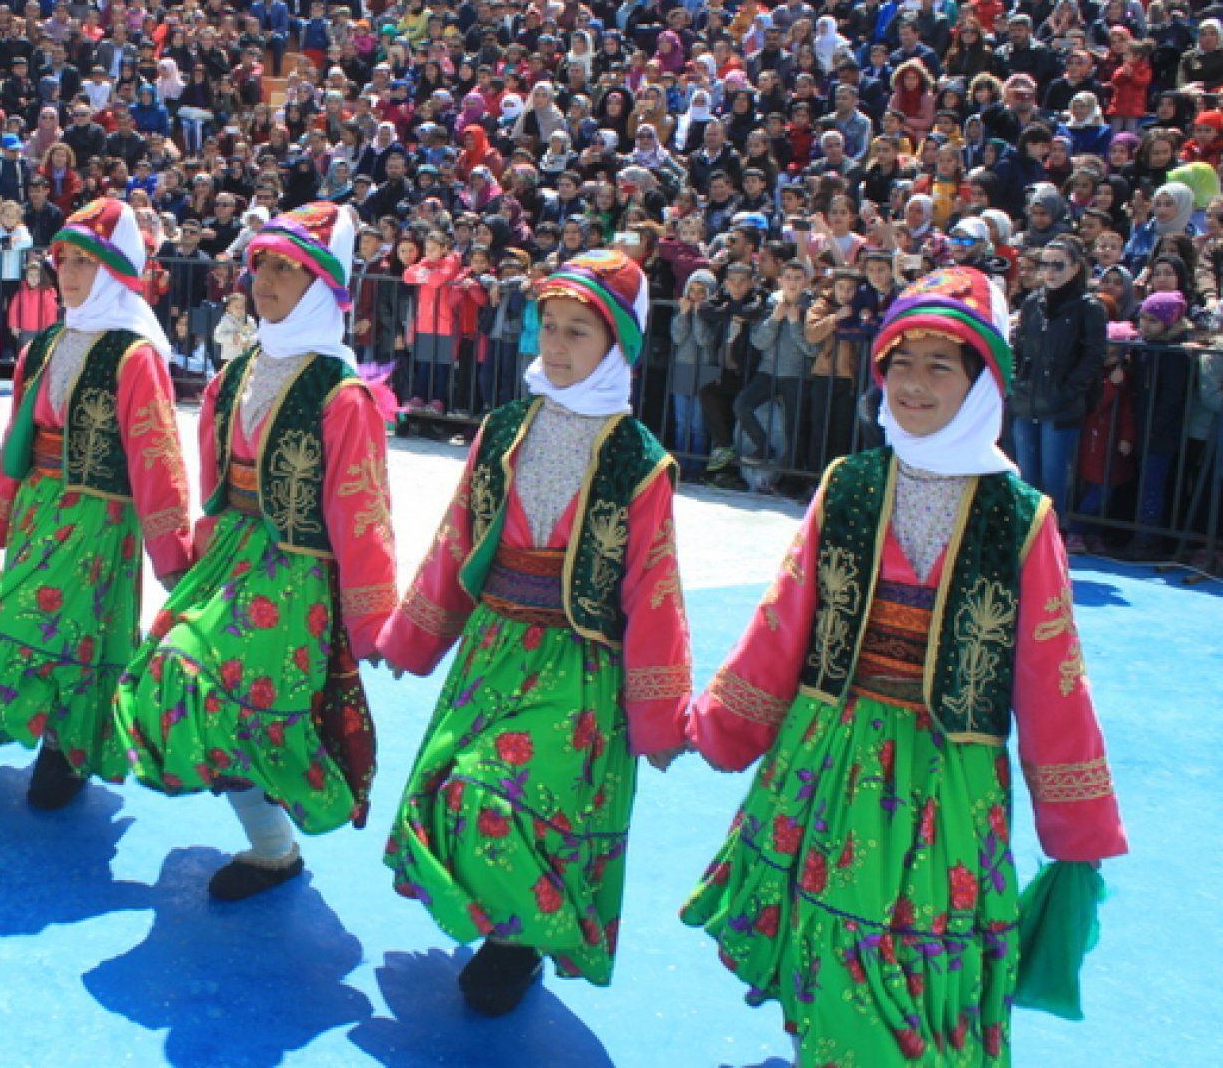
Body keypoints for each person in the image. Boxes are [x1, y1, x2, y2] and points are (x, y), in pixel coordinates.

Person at [682, 265, 1127, 1064]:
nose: (914, 384)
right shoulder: (849, 484)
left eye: (940, 366)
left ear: (983, 381)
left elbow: (1053, 678)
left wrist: (1077, 824)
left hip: (949, 774)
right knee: (828, 930)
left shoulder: (1020, 518)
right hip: (832, 751)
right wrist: (720, 725)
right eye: (901, 362)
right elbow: (783, 621)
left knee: (919, 939)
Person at [378, 251, 693, 1016]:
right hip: (495, 651)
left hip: (578, 670)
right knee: (460, 791)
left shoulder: (638, 461)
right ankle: (509, 931)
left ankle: (518, 942)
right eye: (548, 325)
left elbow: (654, 592)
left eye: (578, 331)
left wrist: (660, 717)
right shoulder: (504, 429)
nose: (555, 343)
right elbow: (459, 538)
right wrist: (414, 636)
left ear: (617, 344)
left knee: (502, 798)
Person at [115, 201, 398, 900]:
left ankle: (280, 839)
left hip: (293, 573)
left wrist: (372, 620)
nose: (264, 280)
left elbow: (364, 513)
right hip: (229, 561)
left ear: (324, 286)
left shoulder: (342, 394)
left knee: (208, 684)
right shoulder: (238, 373)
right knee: (183, 684)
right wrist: (191, 549)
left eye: (286, 269)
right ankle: (273, 849)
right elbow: (216, 478)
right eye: (261, 264)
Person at [0, 197, 193, 806]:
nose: (70, 273)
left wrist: (172, 553)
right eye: (65, 259)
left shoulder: (135, 354)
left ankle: (66, 748)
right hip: (39, 507)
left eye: (86, 261)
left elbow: (156, 456)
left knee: (75, 632)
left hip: (99, 517)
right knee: (35, 623)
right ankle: (55, 740)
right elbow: (18, 434)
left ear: (115, 268)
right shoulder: (48, 342)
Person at [1009, 237, 1106, 521]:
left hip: (1060, 407)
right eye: (1045, 264)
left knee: (1053, 484)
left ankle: (1054, 540)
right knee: (1026, 481)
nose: (1050, 271)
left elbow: (1093, 356)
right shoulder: (1032, 302)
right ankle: (1027, 540)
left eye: (1058, 265)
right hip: (1026, 402)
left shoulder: (1089, 307)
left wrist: (1068, 391)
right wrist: (1016, 382)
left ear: (1076, 268)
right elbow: (1019, 347)